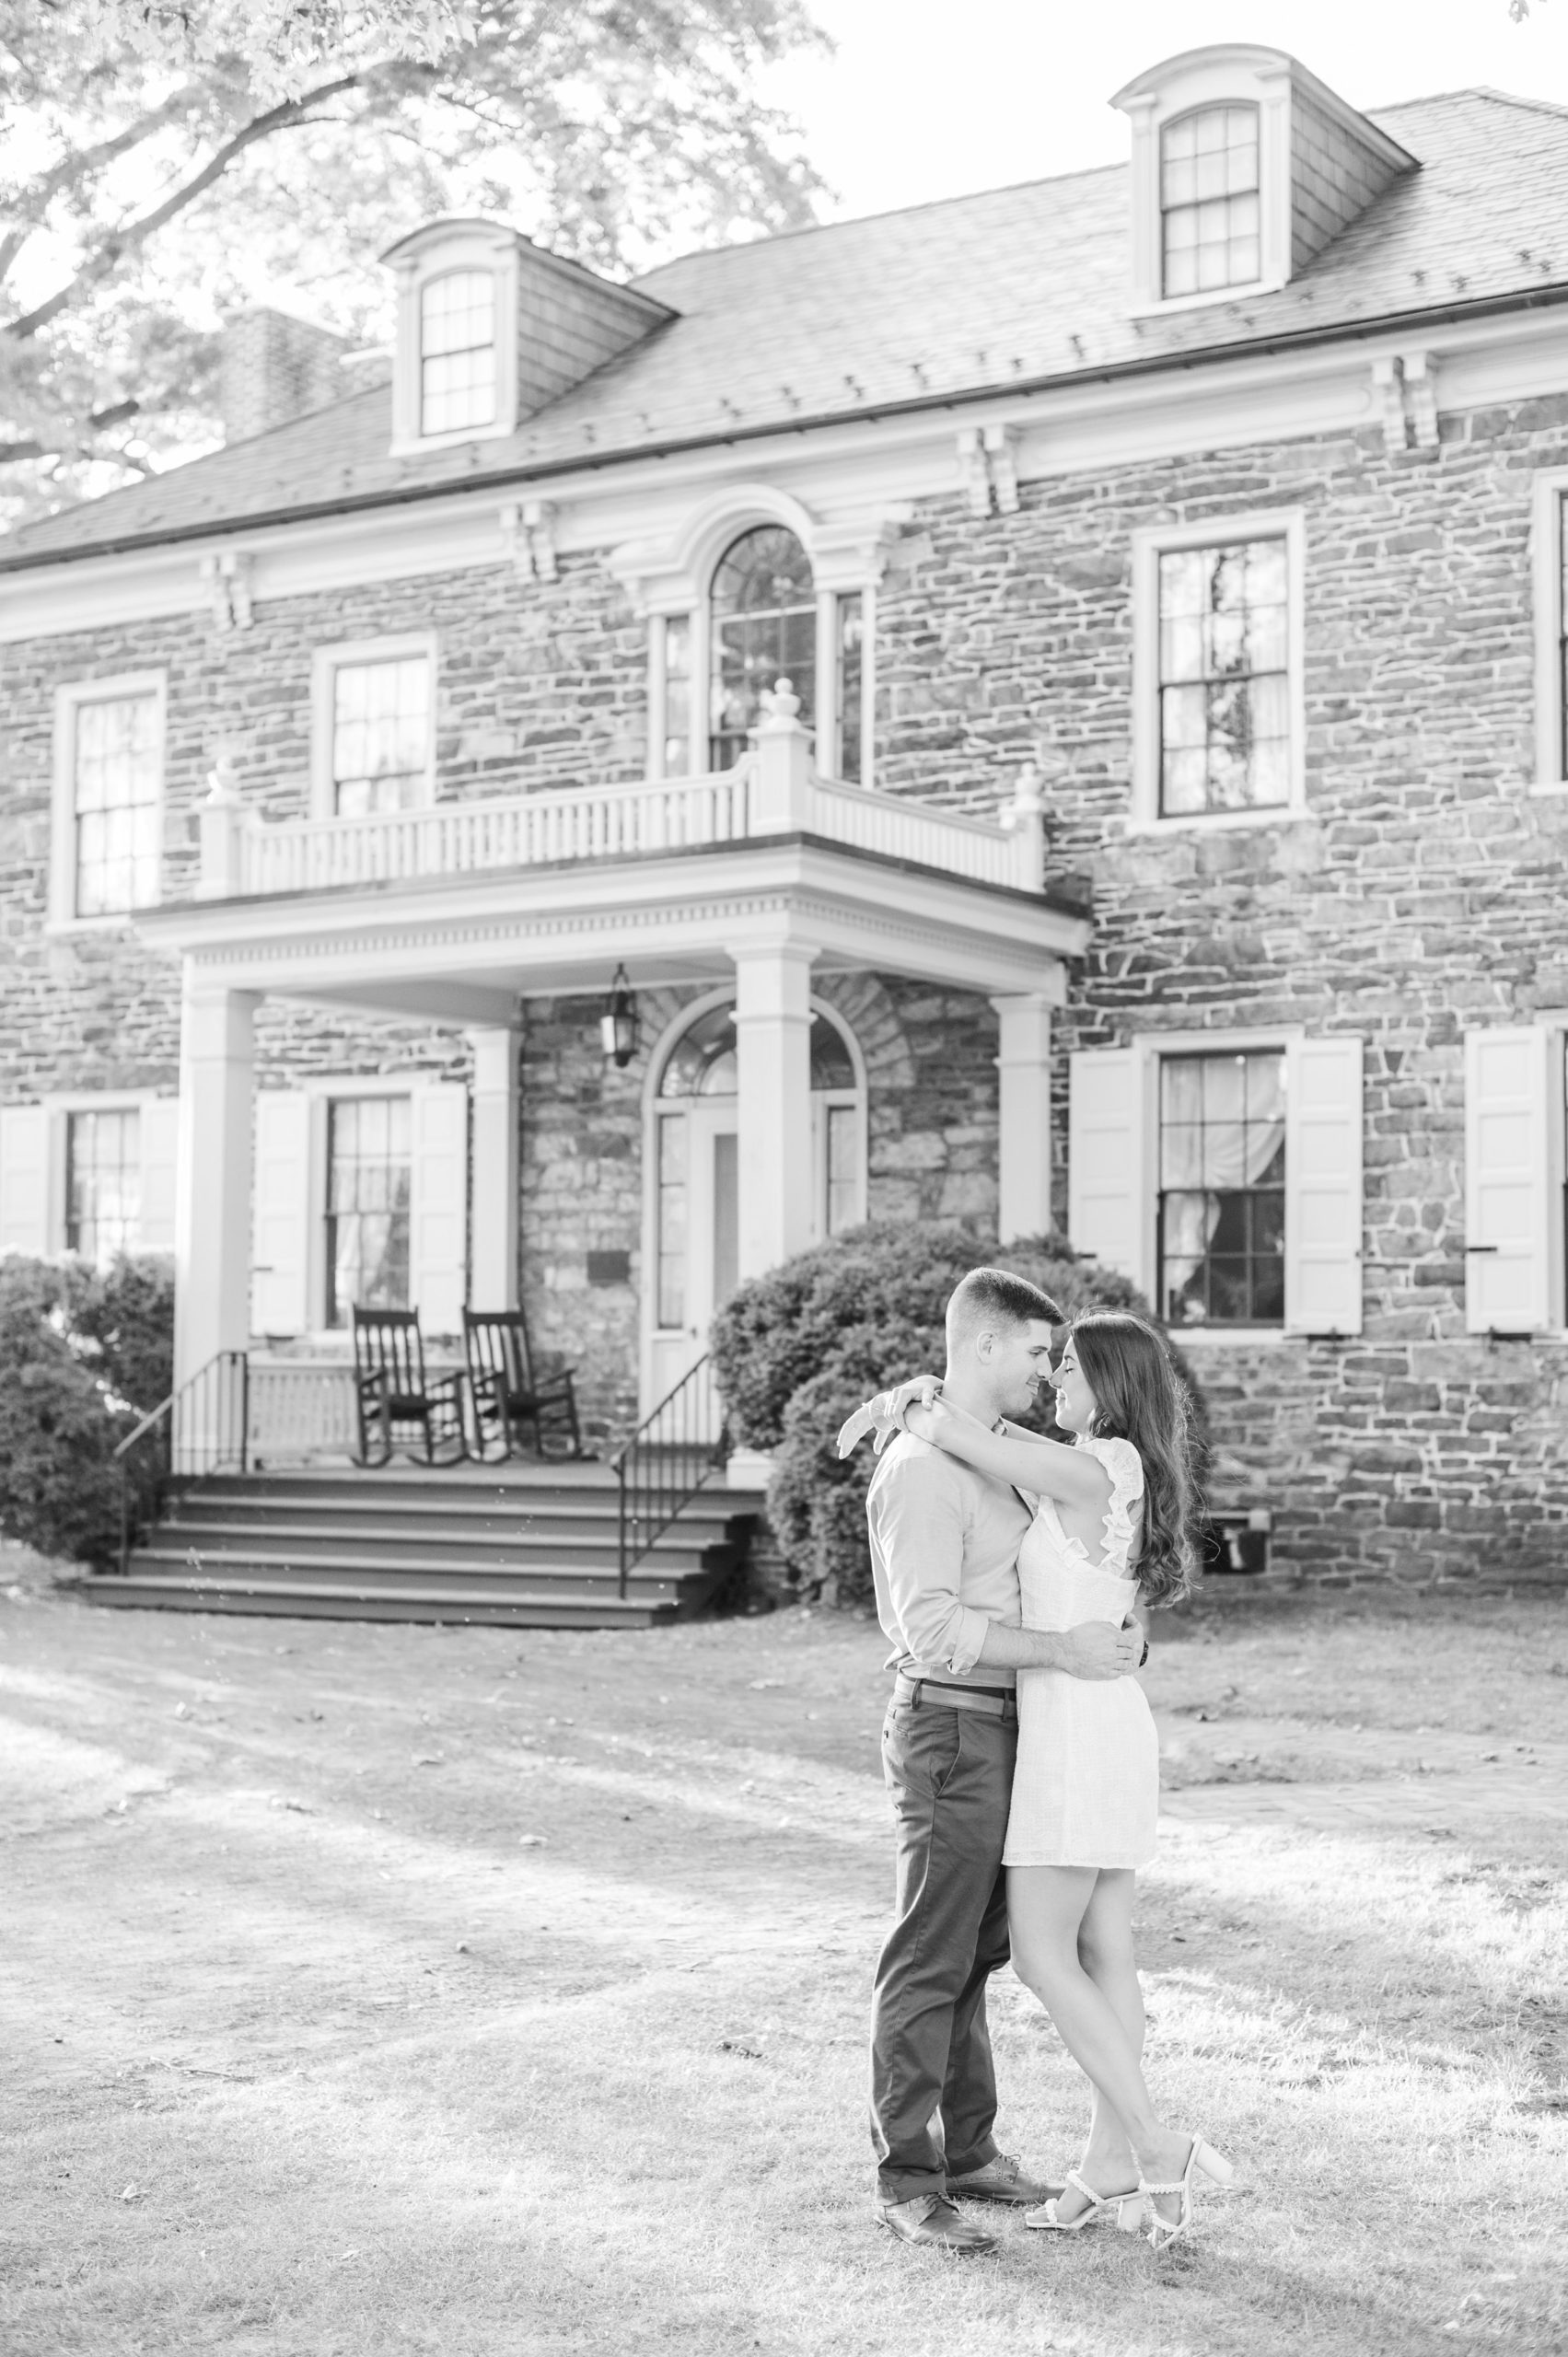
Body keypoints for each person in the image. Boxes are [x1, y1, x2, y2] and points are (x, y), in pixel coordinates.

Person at [865, 1308, 1234, 2254]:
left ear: (1107, 1385)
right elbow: (1103, 1582)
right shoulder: (1113, 1466)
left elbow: (961, 1431)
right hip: (1094, 1719)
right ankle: (1108, 2158)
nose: (1051, 1378)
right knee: (1105, 1946)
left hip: (1072, 1726)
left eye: (1064, 1365)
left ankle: (1151, 2141)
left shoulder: (1086, 1463)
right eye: (1044, 1358)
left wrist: (907, 1401)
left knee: (1037, 1953)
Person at [840, 1268, 1144, 2257]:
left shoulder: (1003, 1457)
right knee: (929, 1951)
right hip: (950, 1731)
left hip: (1021, 1733)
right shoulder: (921, 1470)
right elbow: (927, 1627)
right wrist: (1063, 1652)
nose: (1043, 1371)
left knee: (978, 1953)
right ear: (981, 1346)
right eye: (1030, 1352)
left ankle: (968, 2150)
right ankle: (907, 2176)